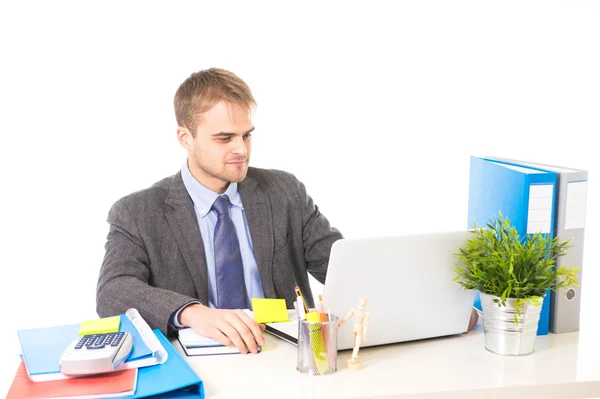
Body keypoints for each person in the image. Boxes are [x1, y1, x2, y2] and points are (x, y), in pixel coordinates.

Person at [96, 68, 343, 354]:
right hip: (200, 355)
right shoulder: (137, 212)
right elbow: (113, 290)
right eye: (224, 138)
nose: (242, 149)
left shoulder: (284, 191)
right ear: (185, 137)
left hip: (285, 352)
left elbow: (339, 265)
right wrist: (191, 312)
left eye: (246, 135)